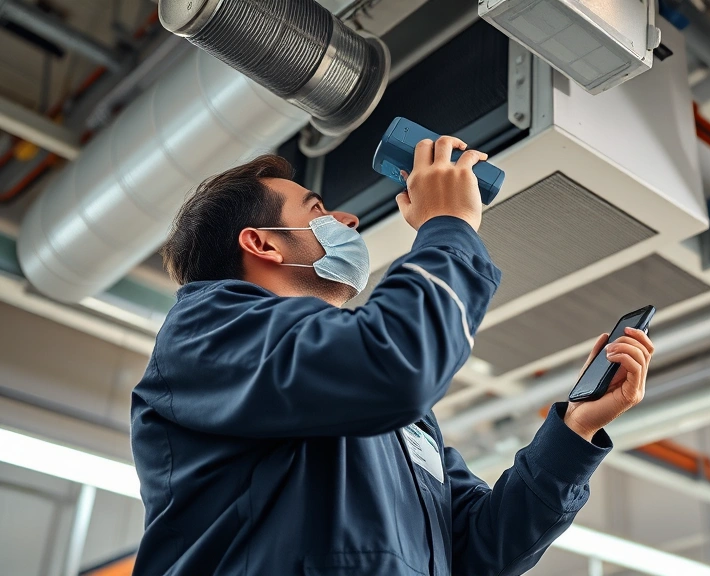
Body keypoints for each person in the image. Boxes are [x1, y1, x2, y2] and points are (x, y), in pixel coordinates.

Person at [130, 136, 655, 575]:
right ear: (264, 244)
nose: (348, 219)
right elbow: (397, 364)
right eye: (317, 210)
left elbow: (481, 550)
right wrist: (448, 224)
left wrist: (575, 433)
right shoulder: (208, 329)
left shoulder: (381, 404)